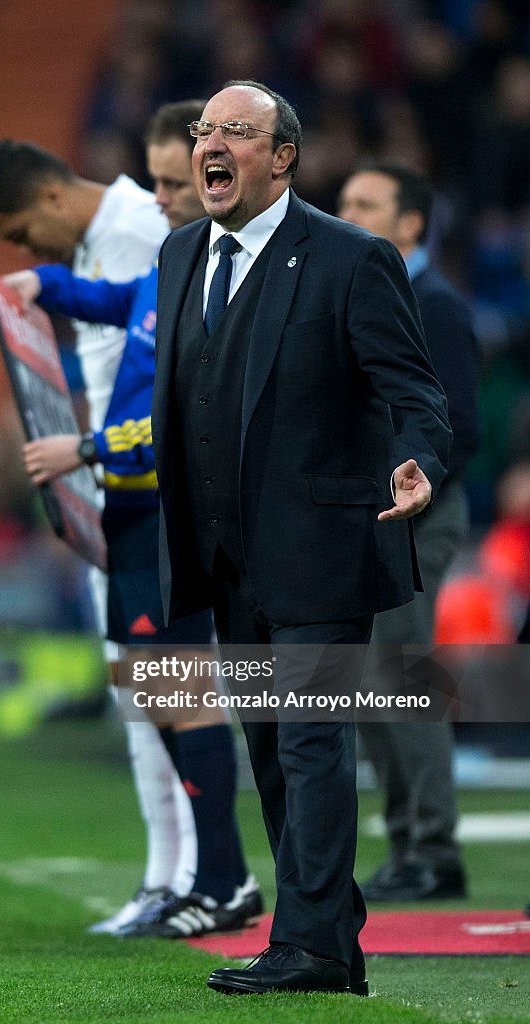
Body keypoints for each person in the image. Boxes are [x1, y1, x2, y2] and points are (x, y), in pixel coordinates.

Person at [151, 80, 452, 996]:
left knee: (313, 742)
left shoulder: (349, 258)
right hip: (223, 553)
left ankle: (311, 947)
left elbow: (415, 390)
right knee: (271, 749)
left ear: (280, 156)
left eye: (234, 132)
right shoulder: (177, 256)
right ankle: (326, 927)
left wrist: (418, 462)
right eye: (205, 129)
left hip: (320, 548)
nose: (212, 144)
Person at [0, 107, 262, 938]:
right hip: (132, 511)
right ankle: (205, 878)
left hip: (165, 509)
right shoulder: (167, 272)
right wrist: (43, 286)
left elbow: (181, 420)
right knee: (152, 691)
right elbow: (108, 299)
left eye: (175, 184)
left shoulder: (208, 278)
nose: (160, 200)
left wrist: (87, 449)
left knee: (183, 692)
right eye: (162, 182)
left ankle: (224, 880)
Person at [338, 162, 480, 901]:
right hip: (374, 516)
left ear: (411, 223)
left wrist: (410, 491)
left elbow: (458, 425)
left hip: (420, 513)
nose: (347, 212)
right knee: (371, 684)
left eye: (366, 203)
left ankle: (431, 850)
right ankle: (405, 847)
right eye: (344, 202)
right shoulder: (373, 295)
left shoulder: (435, 304)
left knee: (401, 680)